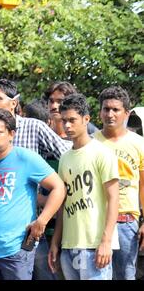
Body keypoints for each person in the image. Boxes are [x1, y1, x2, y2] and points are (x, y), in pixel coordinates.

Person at [0, 108, 66, 280]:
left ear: (11, 134)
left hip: (16, 250)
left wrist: (42, 221)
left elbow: (59, 188)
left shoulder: (26, 158)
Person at [48, 93, 119, 280]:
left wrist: (106, 241)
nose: (67, 125)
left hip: (95, 246)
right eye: (64, 121)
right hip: (69, 245)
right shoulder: (64, 157)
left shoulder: (103, 153)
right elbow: (63, 203)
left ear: (86, 119)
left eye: (72, 120)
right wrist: (56, 241)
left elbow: (114, 199)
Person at [93, 86, 144, 280]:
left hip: (126, 222)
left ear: (127, 113)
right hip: (96, 220)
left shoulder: (139, 144)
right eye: (106, 109)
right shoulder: (91, 142)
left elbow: (143, 186)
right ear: (100, 112)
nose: (110, 114)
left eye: (116, 109)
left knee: (125, 275)